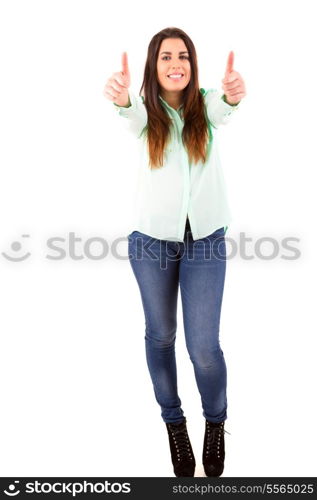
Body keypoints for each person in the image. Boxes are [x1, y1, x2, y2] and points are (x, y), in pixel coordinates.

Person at [103, 27, 246, 477]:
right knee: (160, 336)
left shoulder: (206, 104)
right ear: (154, 65)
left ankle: (216, 422)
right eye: (165, 57)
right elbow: (128, 115)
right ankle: (174, 423)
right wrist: (122, 97)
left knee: (204, 347)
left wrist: (235, 94)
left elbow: (226, 108)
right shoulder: (146, 112)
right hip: (151, 243)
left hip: (204, 242)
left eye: (182, 55)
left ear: (192, 62)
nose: (175, 63)